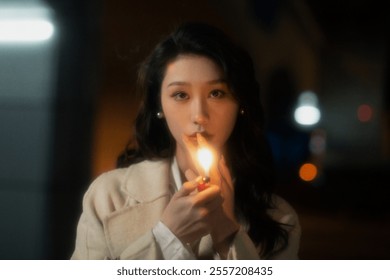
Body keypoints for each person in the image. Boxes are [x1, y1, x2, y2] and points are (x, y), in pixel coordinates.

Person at [71, 22, 300, 260]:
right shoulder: (109, 196)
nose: (199, 115)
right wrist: (167, 236)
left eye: (216, 93)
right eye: (181, 95)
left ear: (240, 104)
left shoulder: (280, 219)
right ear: (159, 106)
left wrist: (227, 233)